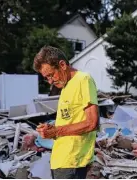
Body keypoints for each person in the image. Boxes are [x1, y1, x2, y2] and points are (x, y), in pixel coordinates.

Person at [33, 46, 99, 179]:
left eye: (51, 75)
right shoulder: (65, 87)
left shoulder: (83, 79)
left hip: (72, 161)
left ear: (62, 65)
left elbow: (92, 123)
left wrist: (56, 131)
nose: (50, 81)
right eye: (46, 78)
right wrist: (51, 129)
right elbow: (70, 121)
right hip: (61, 161)